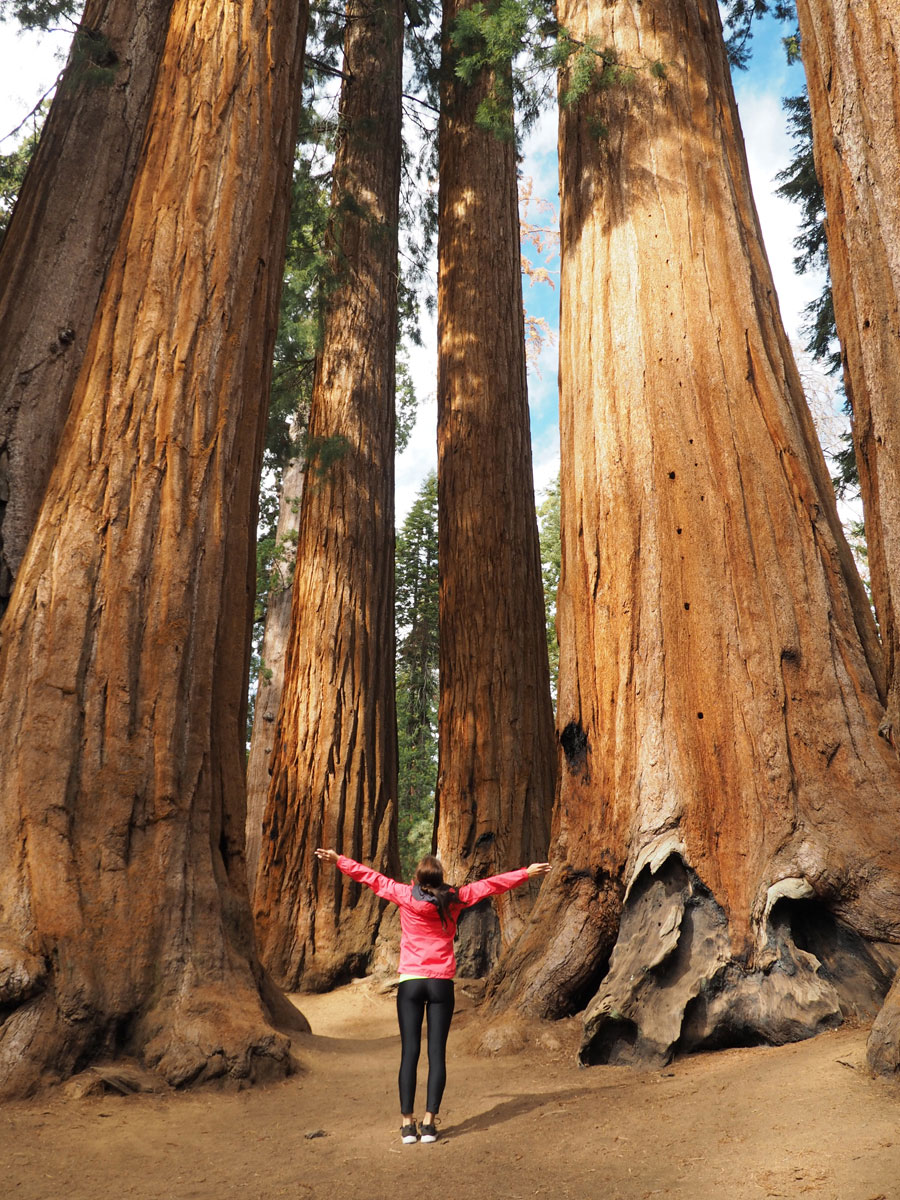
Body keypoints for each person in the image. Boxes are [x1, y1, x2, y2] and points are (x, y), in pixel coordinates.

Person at [314, 847, 551, 1143]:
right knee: (436, 1054)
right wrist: (525, 873)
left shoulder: (403, 894)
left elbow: (370, 878)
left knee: (409, 1053)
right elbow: (490, 885)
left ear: (417, 878)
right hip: (441, 984)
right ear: (440, 878)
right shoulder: (455, 898)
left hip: (411, 982)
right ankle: (429, 1124)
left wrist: (339, 861)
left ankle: (406, 1125)